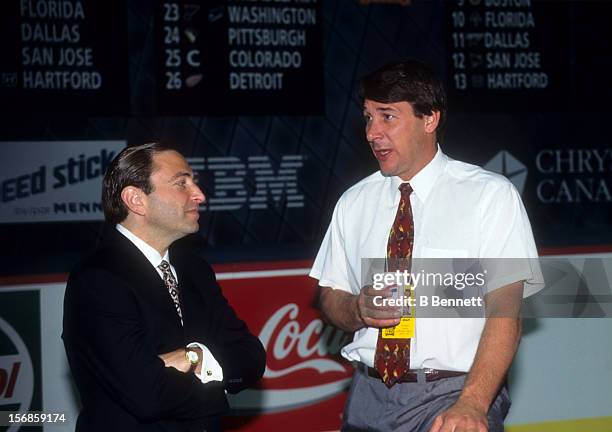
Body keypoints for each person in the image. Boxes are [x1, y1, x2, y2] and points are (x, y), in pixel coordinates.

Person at [310, 59, 543, 431]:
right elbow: (329, 296)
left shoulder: (489, 196)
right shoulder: (353, 202)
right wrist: (356, 307)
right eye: (368, 118)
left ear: (430, 119)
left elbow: (506, 310)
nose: (372, 132)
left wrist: (471, 403)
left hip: (452, 394)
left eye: (388, 117)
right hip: (367, 396)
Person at [63, 143, 266, 431]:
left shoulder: (194, 270)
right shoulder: (98, 279)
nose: (199, 195)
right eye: (181, 183)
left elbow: (251, 358)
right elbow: (147, 394)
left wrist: (193, 356)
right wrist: (216, 391)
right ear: (136, 199)